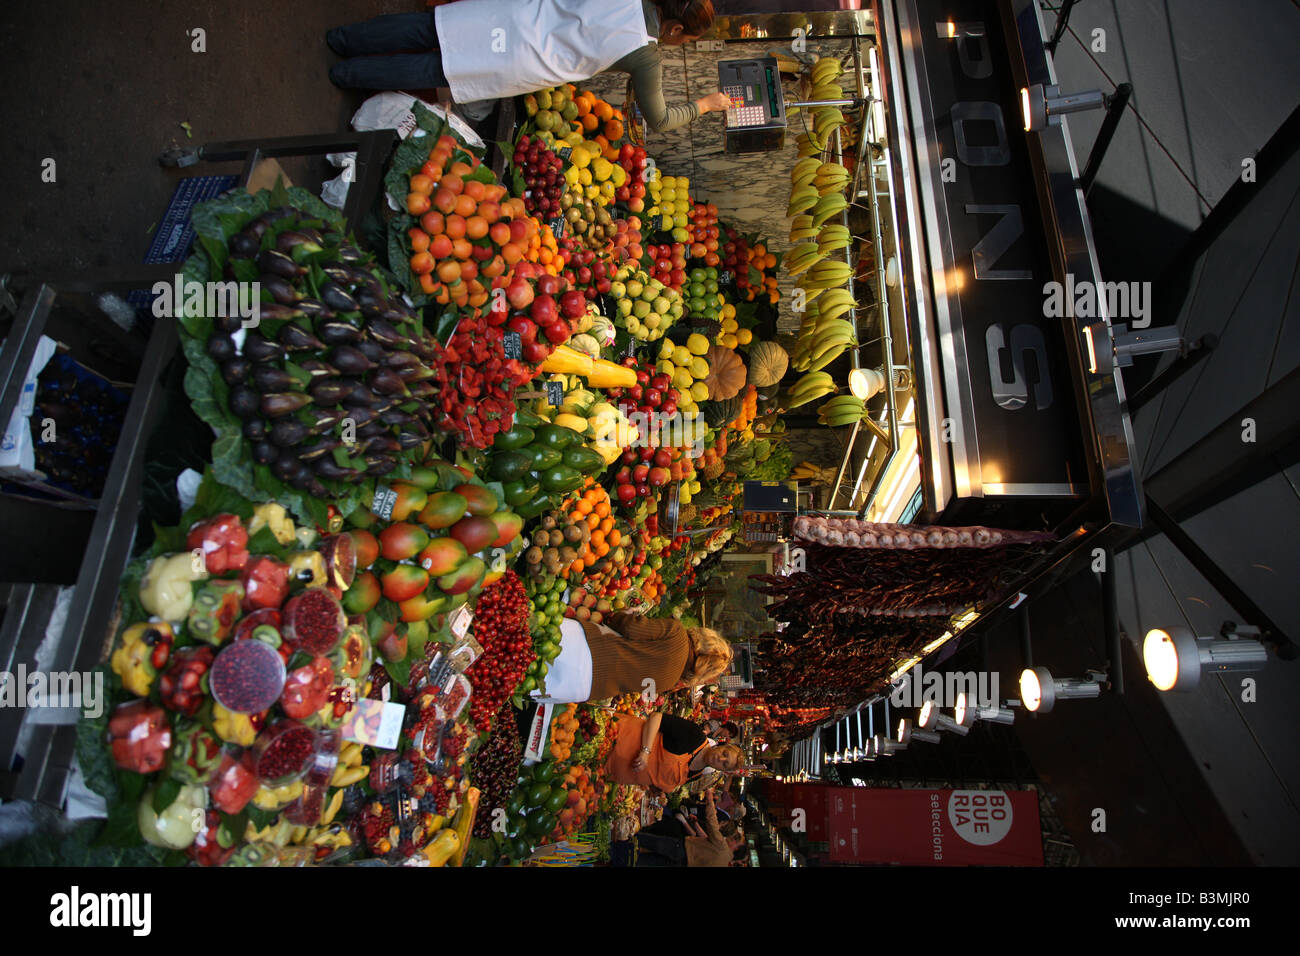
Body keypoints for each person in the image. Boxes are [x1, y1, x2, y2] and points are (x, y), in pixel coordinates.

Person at [326, 1, 732, 133]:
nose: (680, 44)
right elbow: (658, 119)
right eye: (686, 40)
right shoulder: (646, 57)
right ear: (676, 28)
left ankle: (341, 39)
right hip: (522, 59)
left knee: (428, 28)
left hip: (515, 16)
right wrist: (706, 105)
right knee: (438, 69)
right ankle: (344, 76)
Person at [532, 611, 733, 705]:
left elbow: (630, 628)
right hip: (581, 689)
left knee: (520, 641)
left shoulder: (678, 634)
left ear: (708, 638)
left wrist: (622, 615)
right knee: (517, 681)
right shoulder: (670, 682)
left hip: (584, 650)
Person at [605, 710, 742, 791]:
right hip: (612, 737)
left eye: (725, 764)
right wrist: (645, 751)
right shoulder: (695, 736)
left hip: (608, 772)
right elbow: (656, 717)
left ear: (721, 769)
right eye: (725, 754)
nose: (720, 759)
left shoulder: (696, 775)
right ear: (721, 746)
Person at [635, 790, 742, 866]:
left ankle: (625, 835)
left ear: (736, 848)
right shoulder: (722, 863)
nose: (731, 839)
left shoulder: (723, 847)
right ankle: (623, 854)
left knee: (645, 841)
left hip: (681, 848)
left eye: (735, 841)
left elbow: (712, 823)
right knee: (644, 861)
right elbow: (706, 838)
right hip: (681, 863)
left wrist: (710, 800)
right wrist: (695, 824)